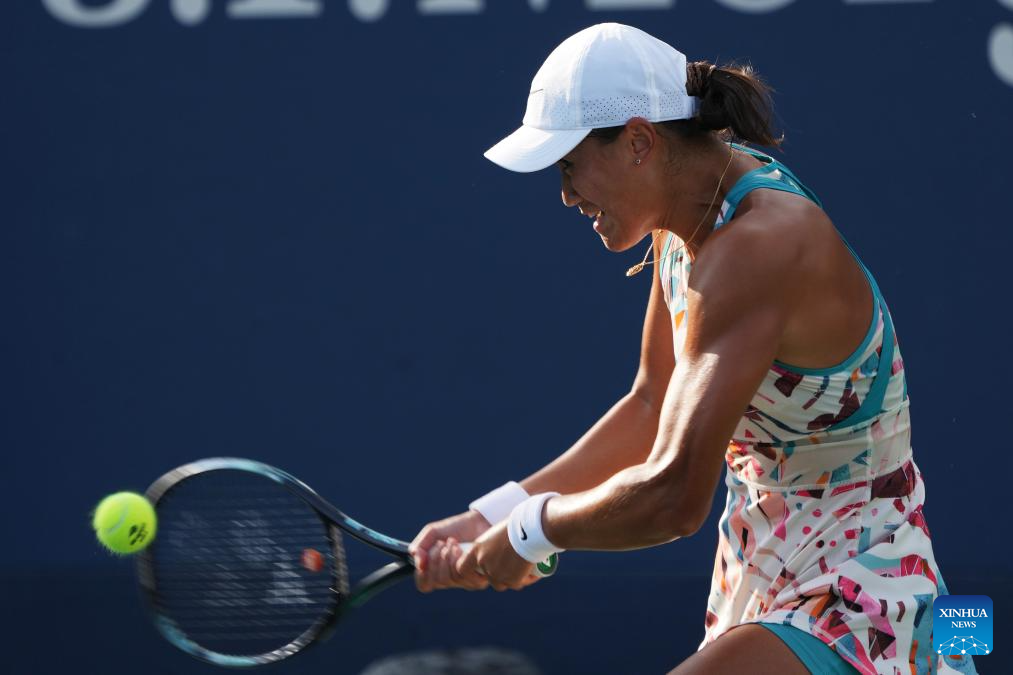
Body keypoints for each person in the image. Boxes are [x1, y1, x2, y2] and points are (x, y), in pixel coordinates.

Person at [408, 23, 977, 675]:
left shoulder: (758, 244)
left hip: (863, 585)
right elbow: (653, 406)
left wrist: (532, 531)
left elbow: (674, 495)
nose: (565, 194)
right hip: (768, 570)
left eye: (569, 165)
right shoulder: (690, 217)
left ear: (638, 141)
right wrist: (492, 514)